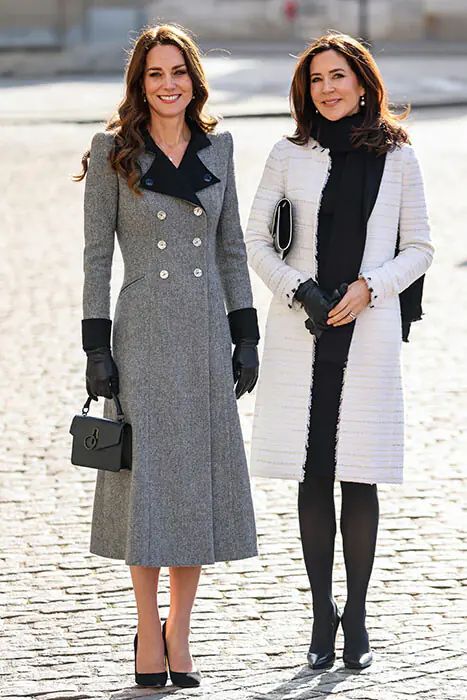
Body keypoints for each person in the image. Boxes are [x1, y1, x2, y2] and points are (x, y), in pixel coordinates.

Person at [74, 24, 260, 689]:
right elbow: (97, 259)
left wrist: (247, 336)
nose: (168, 83)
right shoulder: (111, 152)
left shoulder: (221, 148)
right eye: (154, 73)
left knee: (195, 488)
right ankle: (144, 629)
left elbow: (230, 250)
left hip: (206, 332)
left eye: (177, 70)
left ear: (194, 77)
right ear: (139, 83)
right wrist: (97, 347)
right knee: (147, 488)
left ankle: (179, 633)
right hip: (143, 336)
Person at [246, 32, 433, 670]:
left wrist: (369, 287)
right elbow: (256, 241)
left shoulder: (400, 157)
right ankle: (320, 612)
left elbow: (420, 249)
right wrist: (299, 289)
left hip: (367, 327)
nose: (327, 88)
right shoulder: (287, 153)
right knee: (312, 471)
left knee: (359, 471)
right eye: (316, 79)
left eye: (337, 76)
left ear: (362, 82)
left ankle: (356, 612)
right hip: (304, 330)